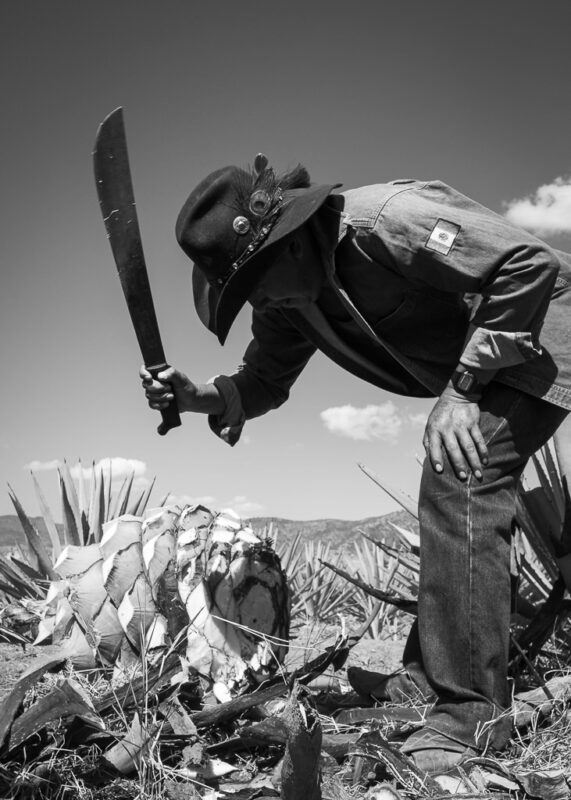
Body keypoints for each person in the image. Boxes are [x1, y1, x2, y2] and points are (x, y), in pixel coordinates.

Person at [141, 155, 571, 773]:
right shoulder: (291, 297)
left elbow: (528, 265)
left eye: (257, 283)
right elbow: (262, 378)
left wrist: (463, 390)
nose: (260, 302)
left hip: (541, 332)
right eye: (247, 293)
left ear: (288, 242)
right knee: (453, 477)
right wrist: (198, 396)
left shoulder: (385, 222)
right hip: (494, 362)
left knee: (463, 472)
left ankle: (472, 713)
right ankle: (427, 685)